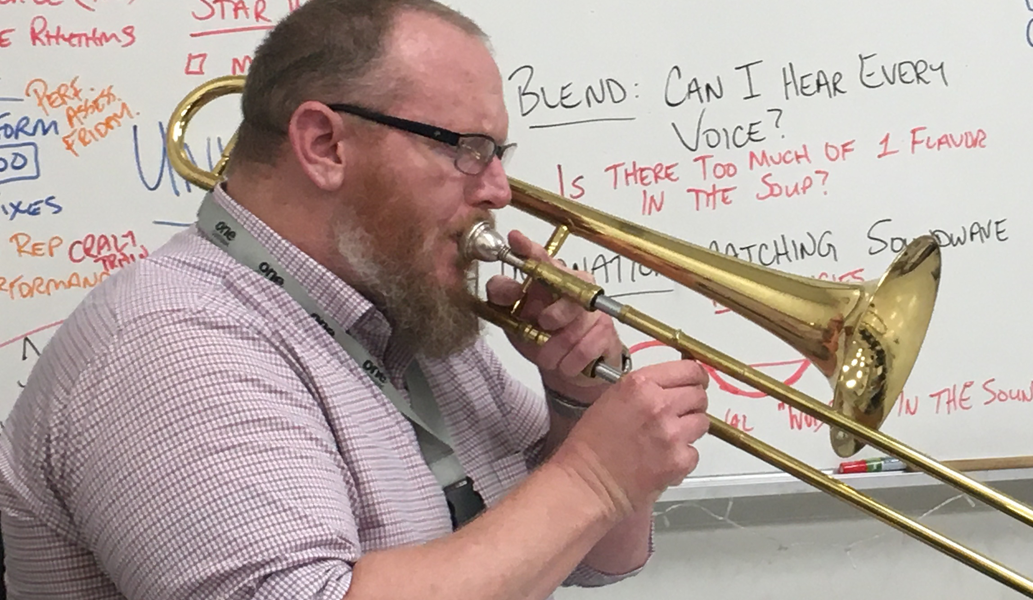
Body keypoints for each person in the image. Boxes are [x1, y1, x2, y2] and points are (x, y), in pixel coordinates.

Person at [0, 0, 713, 598]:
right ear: (324, 145)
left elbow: (595, 558)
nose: (497, 189)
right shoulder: (171, 341)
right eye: (465, 147)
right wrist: (592, 477)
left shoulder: (411, 314)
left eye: (499, 154)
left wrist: (575, 405)